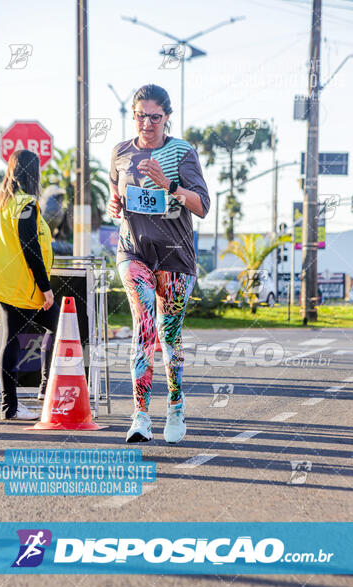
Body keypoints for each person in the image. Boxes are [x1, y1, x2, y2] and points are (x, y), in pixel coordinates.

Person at [108, 84, 210, 444]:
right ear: (133, 115)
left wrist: (168, 185)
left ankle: (176, 406)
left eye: (155, 116)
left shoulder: (182, 152)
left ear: (167, 117)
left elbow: (201, 206)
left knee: (169, 336)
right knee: (144, 325)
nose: (147, 123)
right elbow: (116, 194)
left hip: (175, 256)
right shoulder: (121, 152)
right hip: (132, 251)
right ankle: (140, 416)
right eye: (140, 116)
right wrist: (114, 207)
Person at [0, 149, 59, 420]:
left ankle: (42, 389)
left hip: (1, 281)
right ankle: (10, 406)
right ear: (32, 173)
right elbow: (30, 246)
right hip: (20, 285)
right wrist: (45, 287)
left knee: (51, 327)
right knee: (14, 341)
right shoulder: (25, 203)